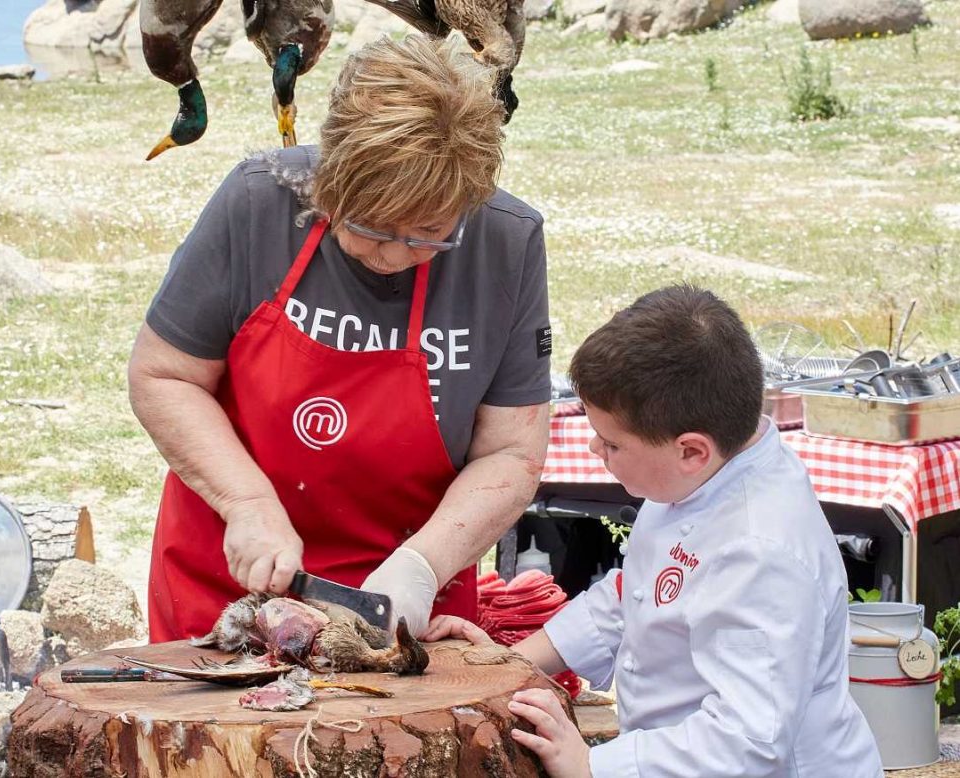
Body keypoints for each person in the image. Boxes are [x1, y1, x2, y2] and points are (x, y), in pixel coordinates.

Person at [128, 35, 551, 644]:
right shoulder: (258, 201)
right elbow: (163, 376)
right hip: (234, 586)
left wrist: (422, 566)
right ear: (329, 183)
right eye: (370, 227)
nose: (394, 255)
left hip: (401, 606)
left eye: (427, 234)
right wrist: (244, 501)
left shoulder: (505, 244)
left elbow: (512, 453)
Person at [424, 285, 883, 778]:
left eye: (612, 443)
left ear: (691, 450)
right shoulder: (699, 478)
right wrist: (510, 664)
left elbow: (748, 741)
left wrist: (592, 767)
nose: (595, 451)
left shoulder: (759, 551)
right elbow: (634, 598)